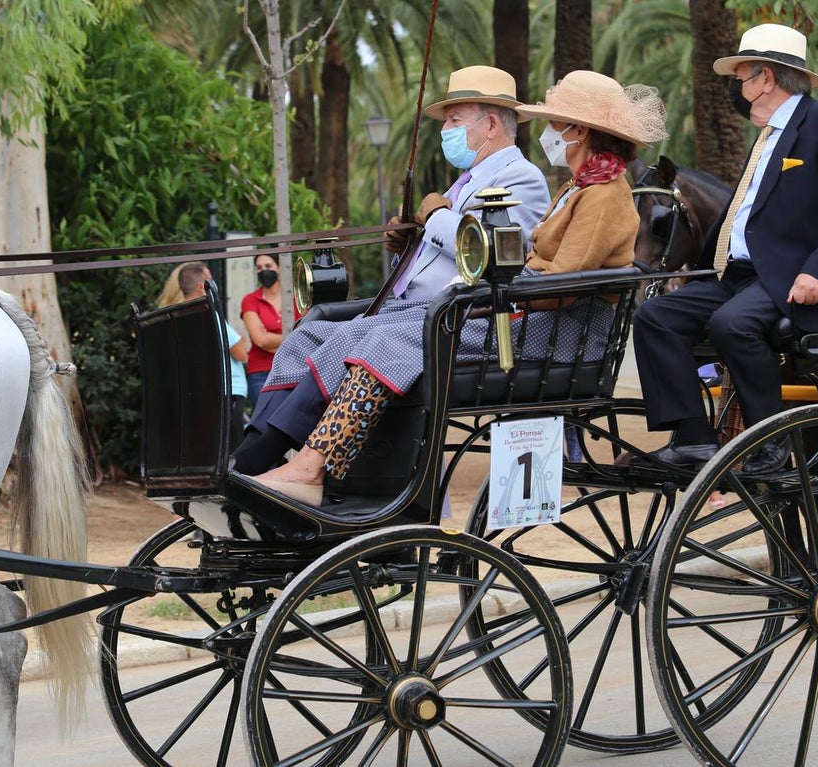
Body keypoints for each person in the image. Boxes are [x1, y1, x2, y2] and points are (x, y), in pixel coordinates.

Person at [237, 70, 668, 506]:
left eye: (557, 125)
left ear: (581, 132)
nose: (551, 134)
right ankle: (252, 460)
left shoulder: (600, 195)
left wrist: (465, 258)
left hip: (550, 327)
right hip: (523, 310)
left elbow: (559, 280)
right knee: (325, 332)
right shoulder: (579, 189)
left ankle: (311, 468)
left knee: (388, 337)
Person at [231, 65, 551, 476]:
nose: (445, 130)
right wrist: (409, 243)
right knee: (308, 332)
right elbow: (442, 255)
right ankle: (258, 444)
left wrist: (434, 219)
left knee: (354, 335)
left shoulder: (521, 177)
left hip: (458, 317)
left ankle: (266, 454)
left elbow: (489, 252)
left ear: (490, 124)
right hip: (412, 309)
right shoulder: (465, 182)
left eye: (454, 120)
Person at [632, 22, 818, 475]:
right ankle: (694, 438)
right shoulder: (766, 138)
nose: (738, 88)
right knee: (655, 317)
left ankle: (770, 441)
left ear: (766, 78)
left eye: (742, 77)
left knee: (731, 325)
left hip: (789, 276)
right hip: (738, 276)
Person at [170, 262, 250, 450]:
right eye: (211, 280)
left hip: (201, 390)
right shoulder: (208, 313)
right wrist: (242, 340)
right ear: (201, 286)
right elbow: (241, 353)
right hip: (229, 390)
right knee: (232, 447)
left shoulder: (180, 316)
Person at [241, 253, 284, 409]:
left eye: (268, 266)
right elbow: (259, 339)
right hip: (261, 373)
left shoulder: (295, 297)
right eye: (259, 268)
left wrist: (271, 340)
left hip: (294, 369)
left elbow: (307, 332)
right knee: (264, 424)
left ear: (279, 268)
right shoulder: (250, 300)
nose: (263, 271)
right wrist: (292, 337)